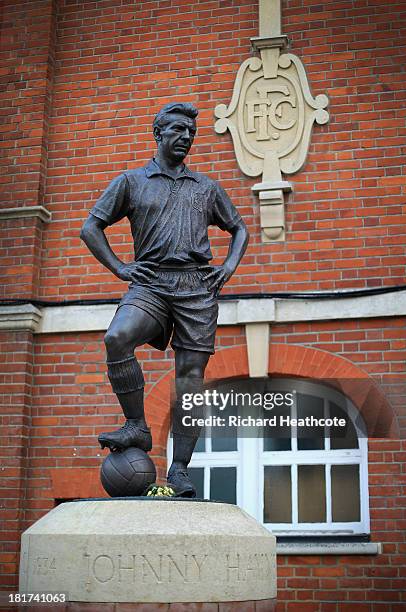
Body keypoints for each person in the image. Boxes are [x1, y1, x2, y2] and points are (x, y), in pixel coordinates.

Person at [80, 102, 248, 496]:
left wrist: (226, 269)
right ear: (158, 134)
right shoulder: (132, 181)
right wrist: (121, 268)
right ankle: (136, 424)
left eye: (191, 133)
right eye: (178, 131)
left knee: (189, 382)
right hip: (151, 282)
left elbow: (239, 229)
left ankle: (180, 470)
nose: (186, 138)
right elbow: (91, 227)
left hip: (195, 288)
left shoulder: (206, 187)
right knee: (117, 338)